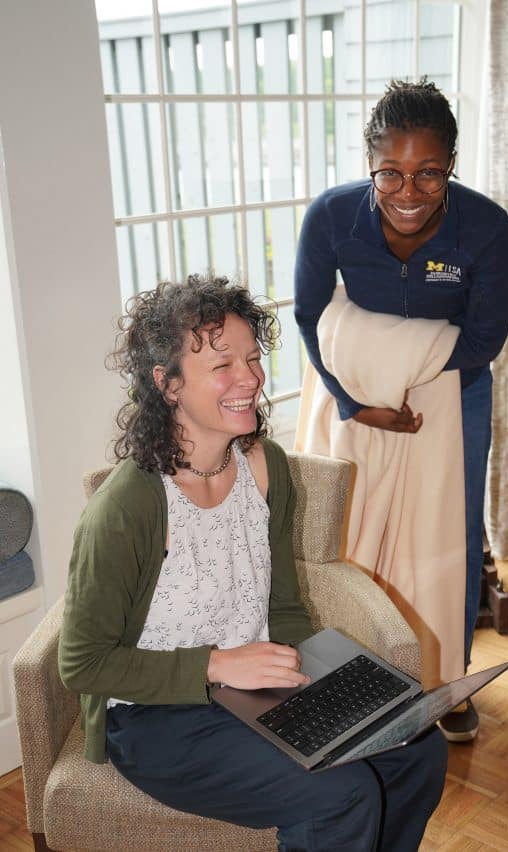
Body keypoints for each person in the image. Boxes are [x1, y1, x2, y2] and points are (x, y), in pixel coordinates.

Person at [58, 274, 447, 852]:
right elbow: (83, 665)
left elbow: (282, 605)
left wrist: (326, 678)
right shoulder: (127, 508)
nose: (251, 379)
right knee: (343, 794)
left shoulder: (265, 468)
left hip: (259, 688)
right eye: (222, 366)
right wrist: (215, 666)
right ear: (167, 385)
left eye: (252, 358)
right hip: (156, 718)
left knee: (420, 749)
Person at [294, 79, 508, 742]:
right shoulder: (332, 217)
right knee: (347, 529)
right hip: (355, 393)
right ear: (369, 163)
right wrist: (353, 402)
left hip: (453, 390)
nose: (408, 192)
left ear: (451, 163)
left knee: (444, 532)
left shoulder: (486, 227)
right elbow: (309, 314)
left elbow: (484, 341)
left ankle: (446, 679)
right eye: (390, 172)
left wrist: (412, 379)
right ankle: (353, 666)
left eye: (428, 173)